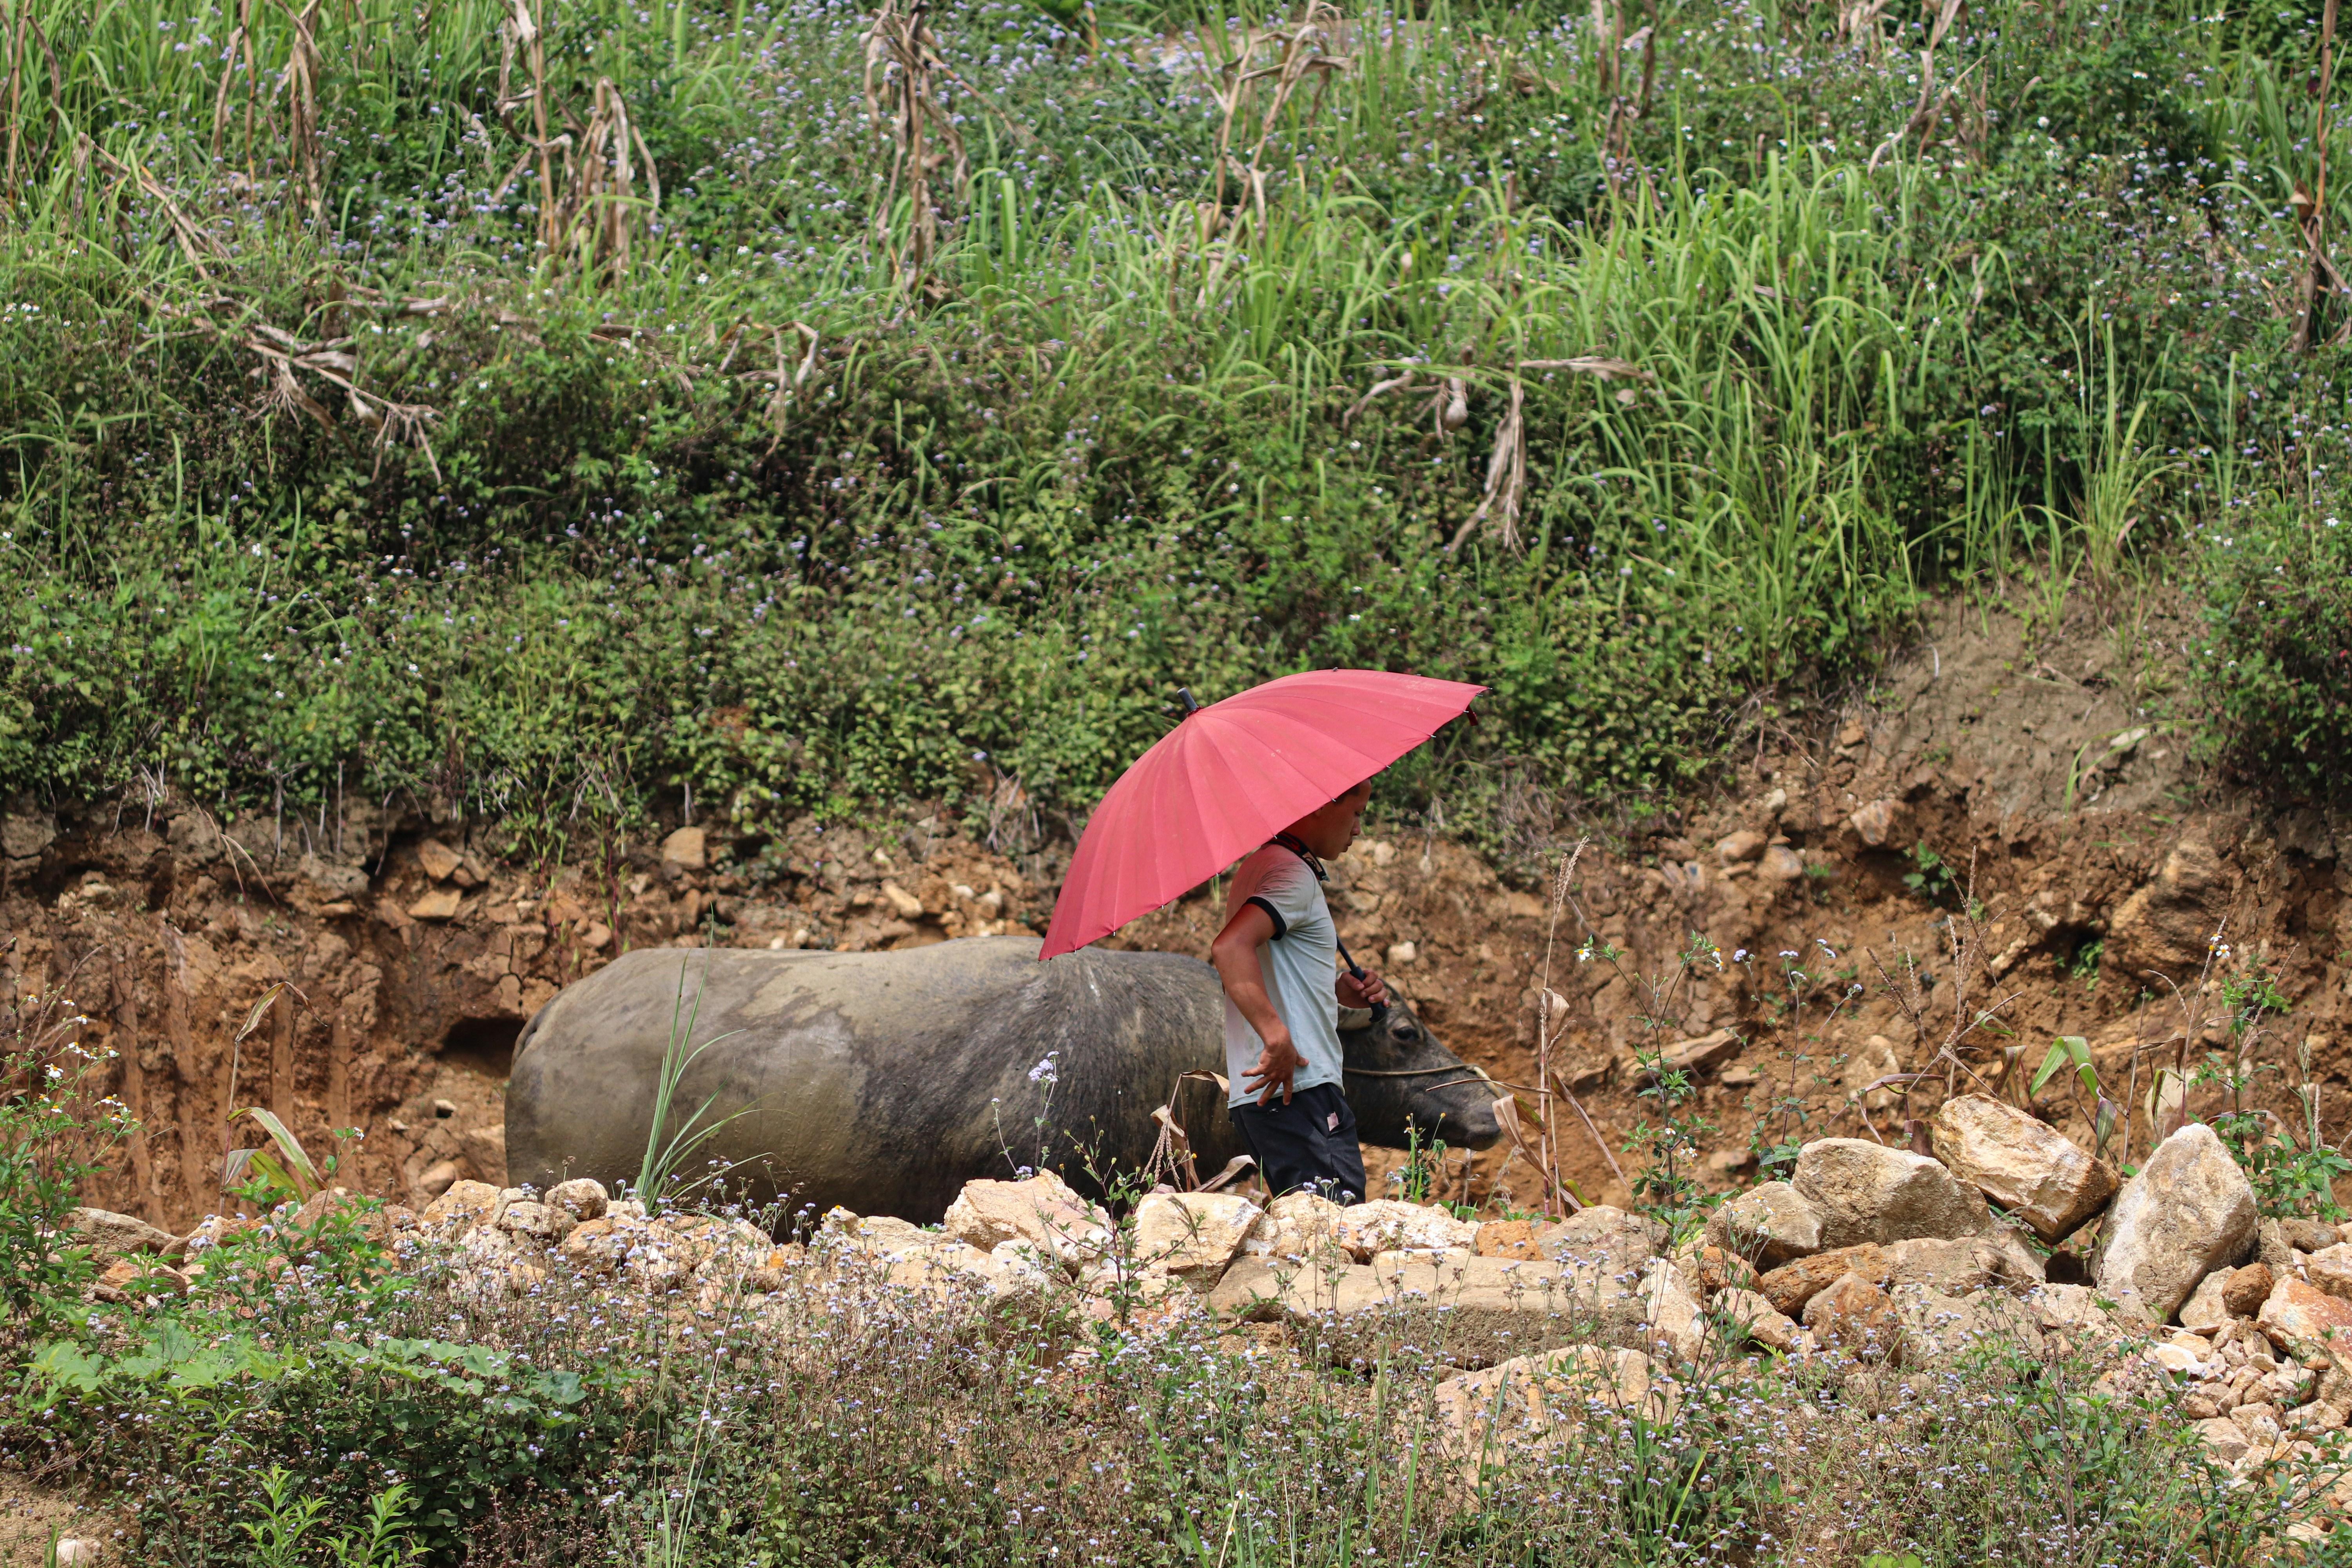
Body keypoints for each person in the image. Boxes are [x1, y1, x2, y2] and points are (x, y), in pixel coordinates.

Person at [1209, 778, 1387, 1203]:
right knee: (1336, 1235)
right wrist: (1277, 1034)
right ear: (1321, 805)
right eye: (1357, 813)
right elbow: (1230, 948)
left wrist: (1339, 992)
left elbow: (1277, 972)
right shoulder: (1292, 872)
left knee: (1311, 1238)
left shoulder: (1262, 867)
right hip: (1299, 1088)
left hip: (1269, 1095)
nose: (1359, 830)